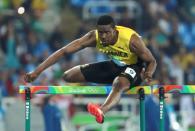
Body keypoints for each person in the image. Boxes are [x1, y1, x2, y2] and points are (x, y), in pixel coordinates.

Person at [24, 15, 157, 124]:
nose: (103, 36)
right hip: (116, 66)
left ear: (115, 31)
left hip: (135, 68)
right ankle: (117, 83)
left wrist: (149, 74)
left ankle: (101, 111)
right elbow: (64, 51)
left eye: (107, 33)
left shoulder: (131, 40)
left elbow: (152, 61)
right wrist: (37, 71)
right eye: (101, 32)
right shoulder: (94, 37)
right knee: (68, 76)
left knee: (119, 83)